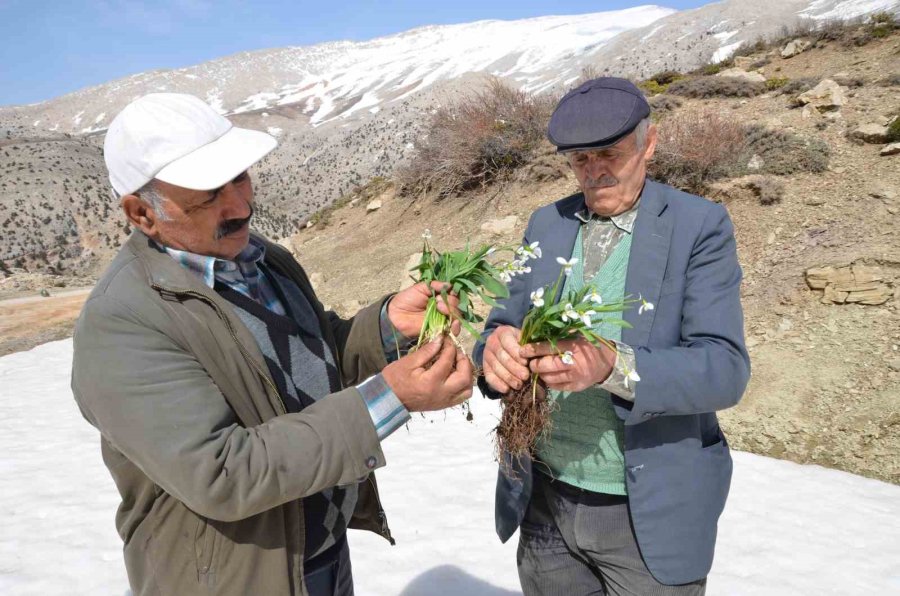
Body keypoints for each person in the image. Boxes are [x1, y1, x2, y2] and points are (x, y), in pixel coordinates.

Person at [72, 93, 473, 596]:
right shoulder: (123, 323)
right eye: (210, 193)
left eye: (239, 177)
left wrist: (389, 325)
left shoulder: (264, 260)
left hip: (320, 555)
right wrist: (390, 401)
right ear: (141, 213)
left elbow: (315, 357)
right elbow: (222, 473)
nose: (240, 206)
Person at [474, 77, 750, 595]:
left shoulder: (699, 226)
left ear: (649, 143)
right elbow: (498, 326)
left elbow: (724, 369)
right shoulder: (546, 223)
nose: (594, 172)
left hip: (646, 516)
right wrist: (494, 352)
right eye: (579, 159)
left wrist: (612, 366)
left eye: (609, 153)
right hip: (545, 503)